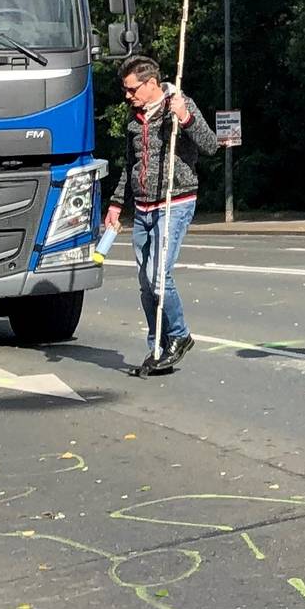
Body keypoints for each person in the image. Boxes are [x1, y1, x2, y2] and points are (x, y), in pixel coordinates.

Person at [105, 55, 216, 375]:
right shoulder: (133, 120)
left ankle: (179, 336)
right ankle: (158, 344)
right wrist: (116, 205)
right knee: (145, 282)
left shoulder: (180, 105)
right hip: (143, 207)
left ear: (151, 83)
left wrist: (186, 118)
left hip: (175, 201)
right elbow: (130, 166)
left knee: (158, 276)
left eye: (131, 89)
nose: (127, 95)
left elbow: (210, 145)